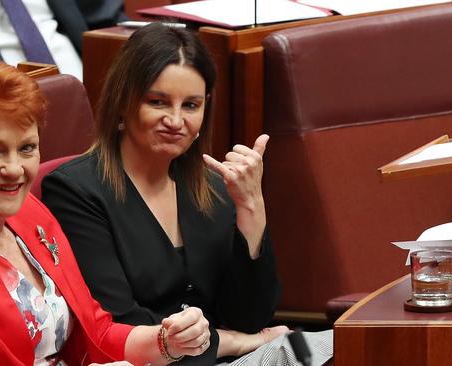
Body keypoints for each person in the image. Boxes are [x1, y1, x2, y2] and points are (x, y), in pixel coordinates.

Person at [0, 57, 211, 365]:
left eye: (27, 148)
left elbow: (95, 333)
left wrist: (166, 340)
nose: (14, 169)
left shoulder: (28, 212)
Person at [40, 23, 333, 365]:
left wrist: (251, 208)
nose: (176, 120)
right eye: (158, 102)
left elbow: (250, 317)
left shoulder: (210, 187)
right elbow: (119, 327)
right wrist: (235, 342)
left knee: (355, 346)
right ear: (123, 101)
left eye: (191, 105)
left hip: (235, 358)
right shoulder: (75, 191)